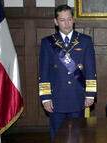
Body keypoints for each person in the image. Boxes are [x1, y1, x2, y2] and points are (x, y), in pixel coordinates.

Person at [38, 4, 97, 140]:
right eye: (62, 20)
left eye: (69, 19)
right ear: (56, 22)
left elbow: (91, 70)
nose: (66, 24)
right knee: (58, 136)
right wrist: (46, 97)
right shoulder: (48, 42)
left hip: (78, 97)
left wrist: (90, 94)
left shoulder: (85, 41)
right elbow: (44, 72)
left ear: (74, 19)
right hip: (57, 99)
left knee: (78, 136)